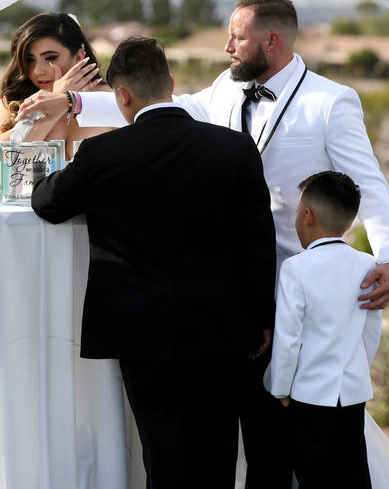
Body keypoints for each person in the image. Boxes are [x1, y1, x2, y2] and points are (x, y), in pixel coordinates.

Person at [24, 0, 389, 487]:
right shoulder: (224, 90)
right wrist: (72, 100)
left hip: (298, 287)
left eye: (238, 36)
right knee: (225, 437)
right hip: (231, 296)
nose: (227, 46)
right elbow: (167, 104)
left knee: (281, 436)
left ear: (271, 41)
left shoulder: (330, 101)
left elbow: (369, 183)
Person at [31, 37, 276, 488]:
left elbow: (47, 202)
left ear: (121, 96)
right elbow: (258, 240)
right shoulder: (234, 149)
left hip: (141, 330)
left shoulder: (103, 155)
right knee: (218, 449)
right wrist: (262, 317)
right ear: (172, 83)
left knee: (161, 451)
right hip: (221, 328)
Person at [268, 171, 381, 489]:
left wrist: (280, 388)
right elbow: (371, 331)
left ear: (307, 215)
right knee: (354, 472)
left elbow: (288, 337)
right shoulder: (367, 264)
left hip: (308, 395)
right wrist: (357, 368)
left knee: (313, 476)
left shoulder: (295, 268)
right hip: (354, 393)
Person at [0, 12, 108, 173]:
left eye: (50, 58)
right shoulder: (15, 101)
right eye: (29, 59)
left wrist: (65, 100)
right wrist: (49, 109)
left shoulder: (110, 99)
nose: (37, 71)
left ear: (79, 56)